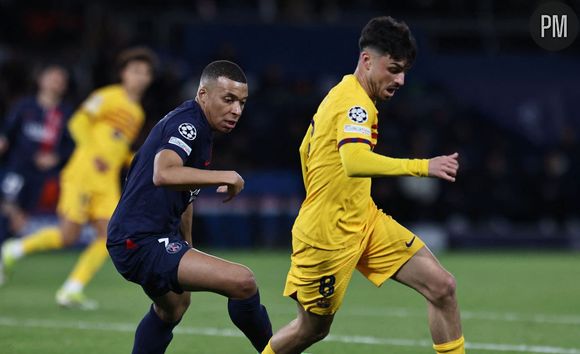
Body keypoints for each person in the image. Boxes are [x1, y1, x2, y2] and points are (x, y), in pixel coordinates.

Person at [262, 16, 465, 354]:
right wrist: (421, 166)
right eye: (394, 68)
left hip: (364, 220)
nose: (400, 79)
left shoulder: (346, 94)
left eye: (404, 72)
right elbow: (354, 161)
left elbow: (304, 150)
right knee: (310, 330)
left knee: (442, 287)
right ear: (367, 60)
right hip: (327, 237)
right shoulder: (355, 104)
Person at [106, 60, 272, 354]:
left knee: (174, 308)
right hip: (139, 240)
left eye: (242, 102)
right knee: (243, 282)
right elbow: (164, 173)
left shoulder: (202, 129)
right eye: (229, 99)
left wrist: (188, 246)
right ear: (203, 95)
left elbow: (184, 192)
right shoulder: (188, 125)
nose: (236, 110)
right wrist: (226, 175)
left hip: (144, 237)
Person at [1, 47, 156, 309]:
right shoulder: (106, 96)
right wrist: (93, 153)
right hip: (83, 173)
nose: (140, 77)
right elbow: (77, 123)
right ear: (123, 74)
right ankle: (13, 250)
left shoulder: (137, 113)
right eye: (135, 71)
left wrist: (139, 161)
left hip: (106, 182)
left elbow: (117, 149)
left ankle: (72, 289)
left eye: (146, 73)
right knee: (68, 236)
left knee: (109, 236)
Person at [0, 64, 74, 285]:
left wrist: (57, 157)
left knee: (20, 220)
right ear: (41, 79)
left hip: (41, 177)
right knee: (7, 210)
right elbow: (7, 133)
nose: (56, 82)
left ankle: (5, 257)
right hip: (17, 168)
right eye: (52, 77)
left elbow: (72, 146)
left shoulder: (66, 113)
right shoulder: (24, 106)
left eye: (61, 79)